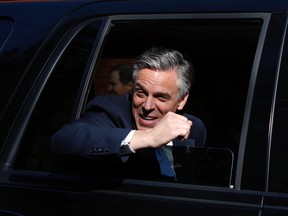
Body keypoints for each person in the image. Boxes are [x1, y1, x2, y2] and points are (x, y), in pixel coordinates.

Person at [51, 47, 206, 182]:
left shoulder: (192, 128)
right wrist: (148, 137)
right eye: (141, 93)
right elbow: (64, 139)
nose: (147, 106)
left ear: (182, 100)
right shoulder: (110, 109)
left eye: (161, 97)